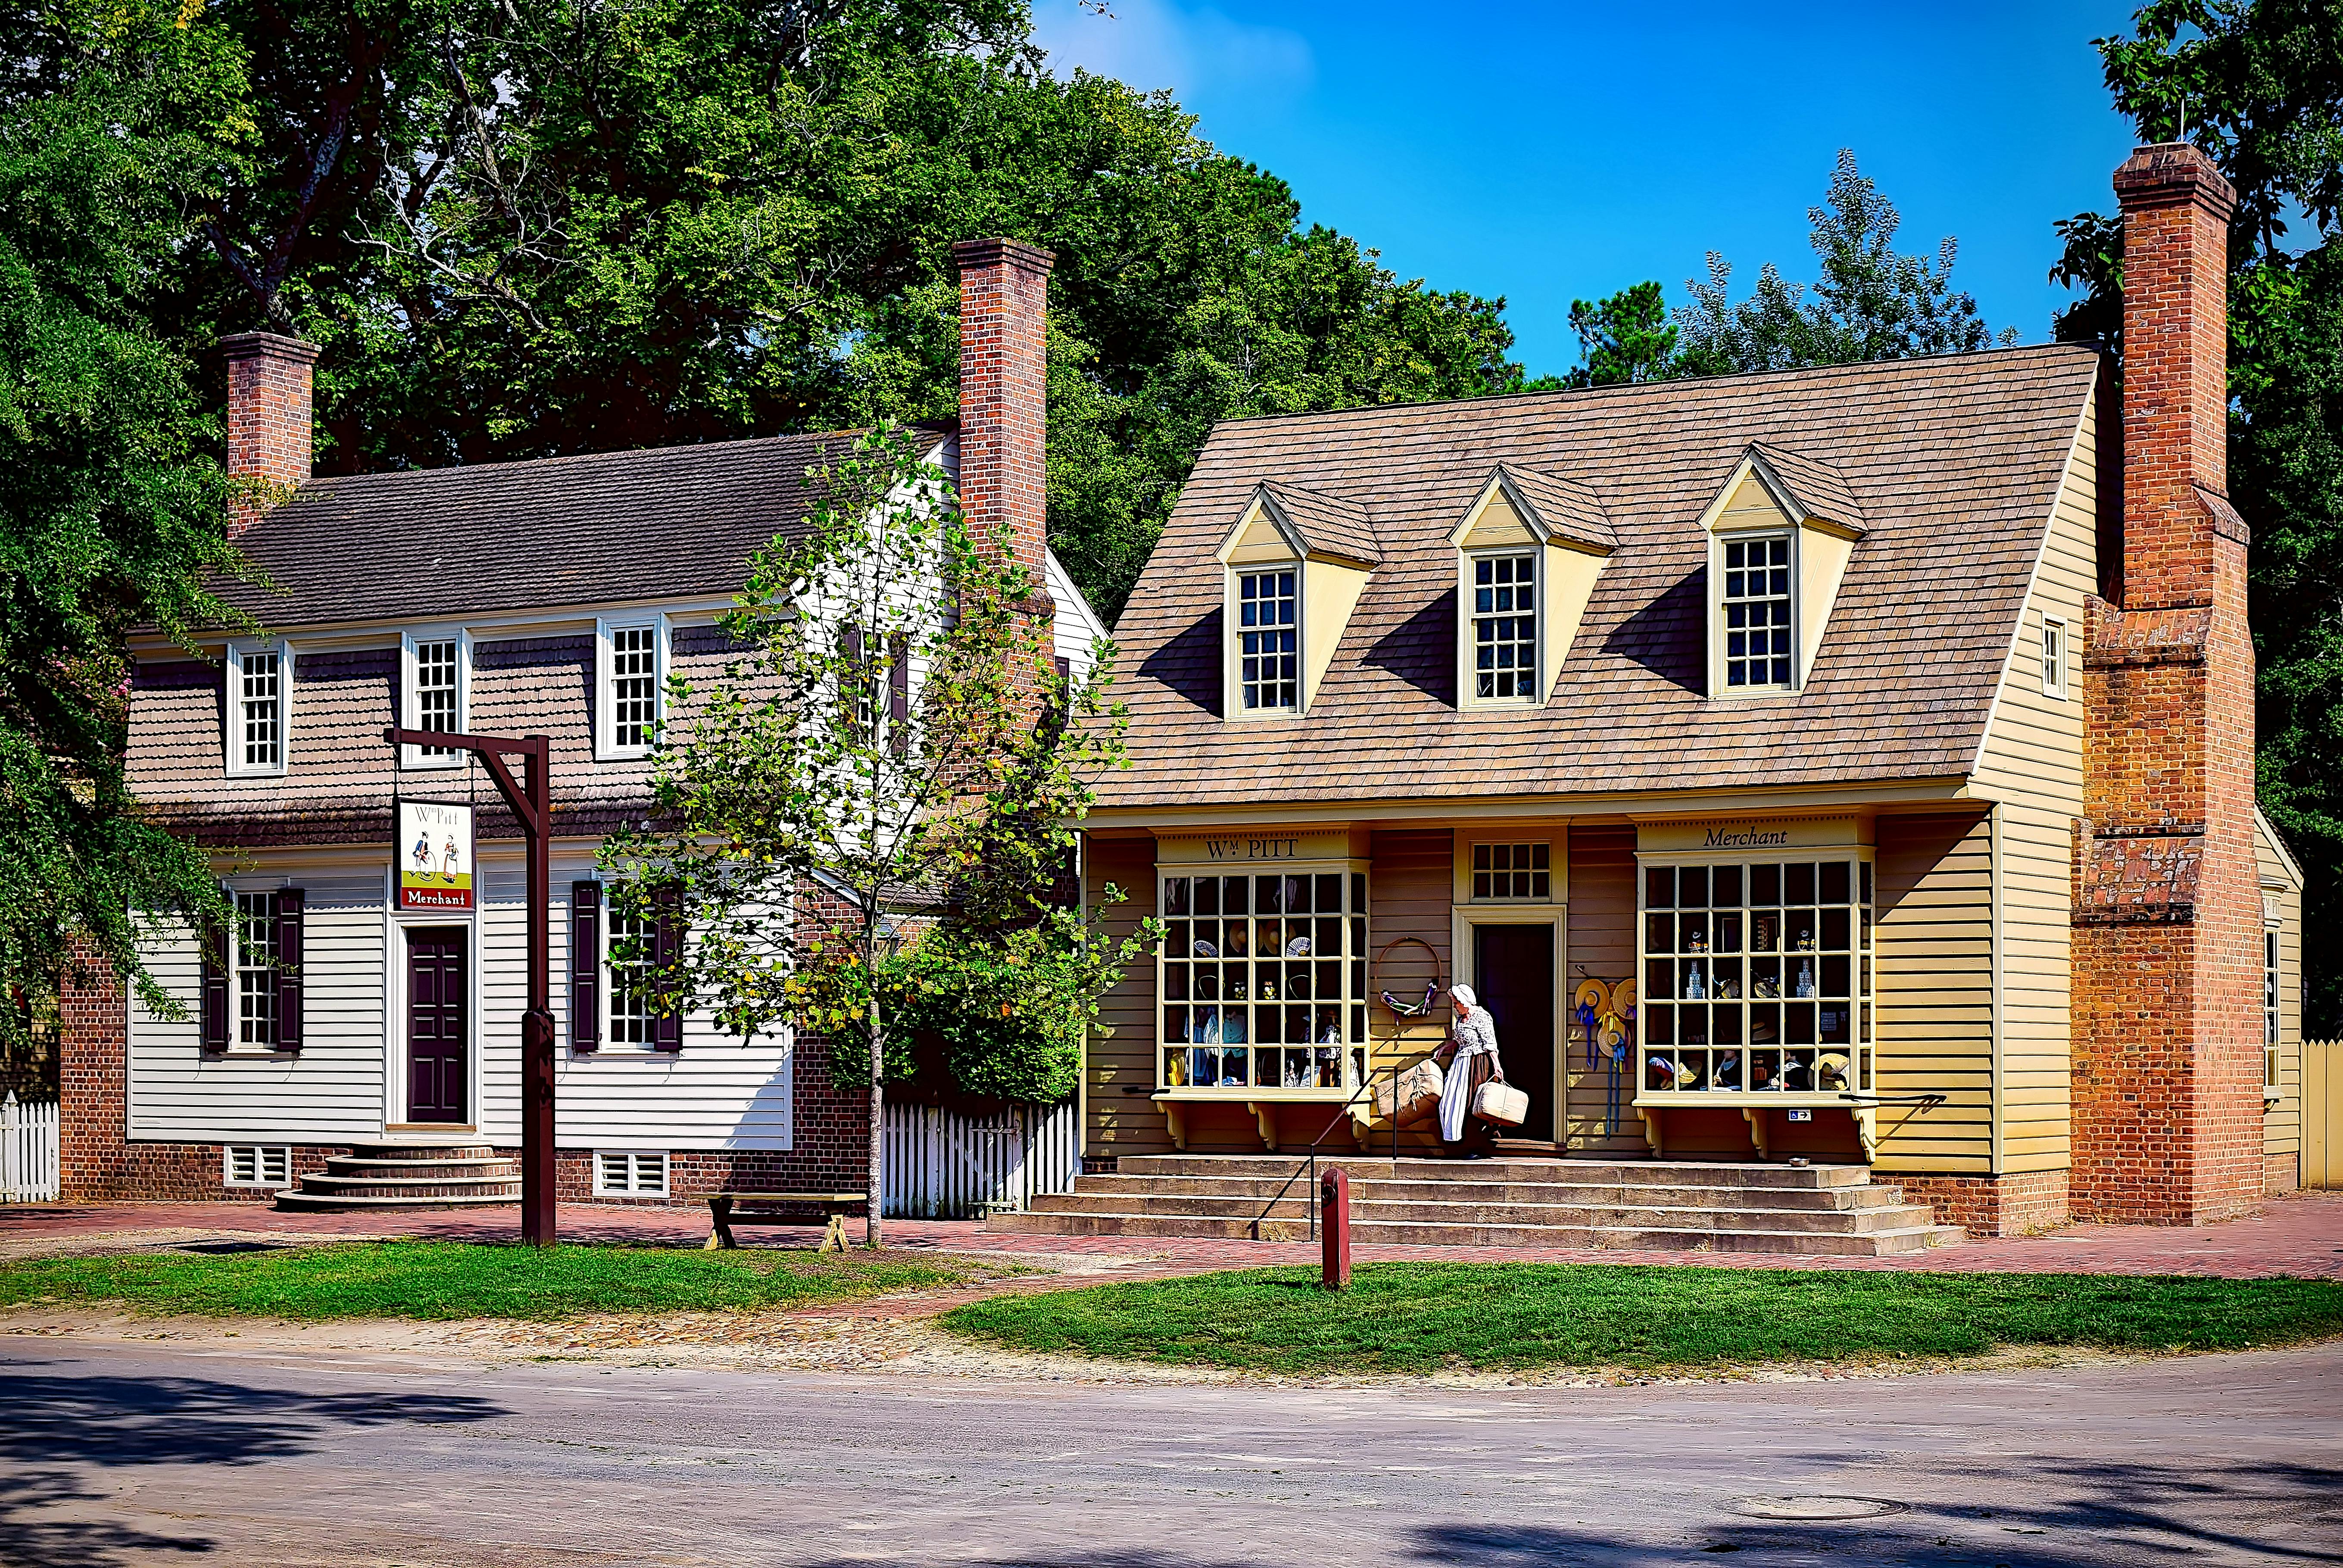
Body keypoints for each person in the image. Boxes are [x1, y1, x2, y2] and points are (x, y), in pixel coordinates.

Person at [1435, 983, 1505, 1159]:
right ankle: (1456, 1146)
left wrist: (1497, 1066)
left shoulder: (1482, 1017)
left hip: (1477, 1064)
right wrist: (1445, 1048)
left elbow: (1490, 1043)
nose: (1455, 1006)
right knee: (1450, 1103)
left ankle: (1476, 1147)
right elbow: (1460, 1041)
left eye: (1457, 1003)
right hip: (1460, 1064)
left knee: (1472, 1103)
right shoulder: (1461, 1019)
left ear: (1465, 1002)